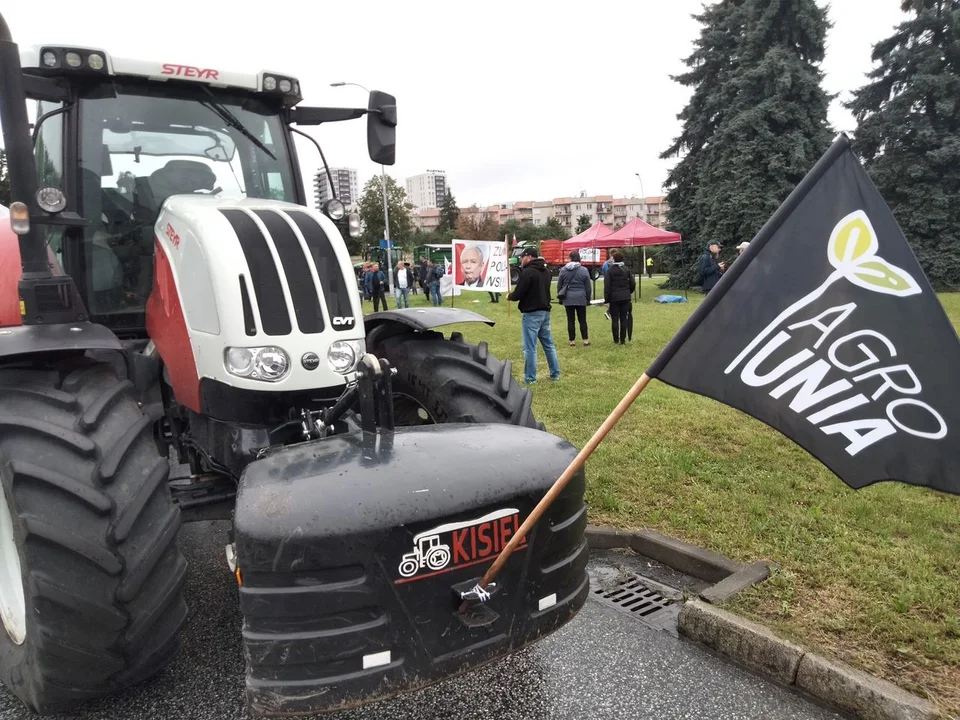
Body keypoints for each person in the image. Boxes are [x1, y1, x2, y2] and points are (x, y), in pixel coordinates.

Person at [508, 247, 560, 384]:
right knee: (548, 345)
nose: (521, 259)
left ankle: (530, 378)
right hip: (545, 311)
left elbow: (518, 293)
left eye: (522, 257)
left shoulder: (528, 272)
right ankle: (555, 374)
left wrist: (510, 296)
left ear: (529, 257)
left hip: (531, 313)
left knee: (530, 348)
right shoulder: (546, 271)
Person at [557, 251, 591, 346]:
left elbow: (559, 285)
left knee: (570, 320)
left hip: (568, 297)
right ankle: (585, 340)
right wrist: (588, 298)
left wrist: (560, 297)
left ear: (570, 258)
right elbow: (588, 286)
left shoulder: (563, 270)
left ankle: (572, 341)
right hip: (581, 297)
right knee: (582, 320)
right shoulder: (584, 270)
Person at [603, 251, 635, 346]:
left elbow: (607, 286)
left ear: (614, 259)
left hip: (614, 298)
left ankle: (616, 339)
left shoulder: (610, 271)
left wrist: (607, 300)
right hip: (625, 297)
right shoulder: (626, 270)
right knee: (623, 319)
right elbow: (632, 283)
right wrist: (629, 292)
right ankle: (623, 340)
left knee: (615, 319)